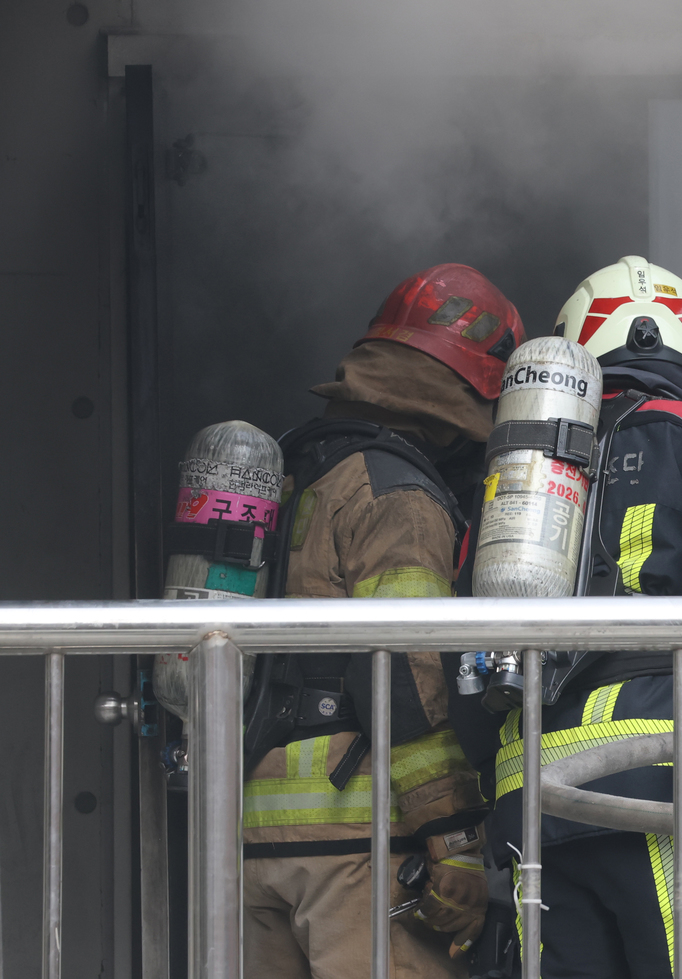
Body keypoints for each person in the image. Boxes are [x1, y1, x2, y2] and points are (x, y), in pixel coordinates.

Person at [449, 256, 682, 979]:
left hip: (532, 799)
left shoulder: (514, 481)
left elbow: (461, 653)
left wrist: (499, 774)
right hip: (667, 782)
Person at [241, 264, 525, 978]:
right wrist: (454, 835)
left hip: (249, 843)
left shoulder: (293, 471)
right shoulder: (398, 493)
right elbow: (407, 673)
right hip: (357, 847)